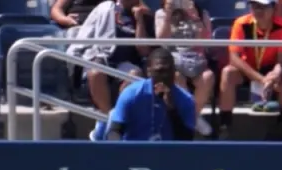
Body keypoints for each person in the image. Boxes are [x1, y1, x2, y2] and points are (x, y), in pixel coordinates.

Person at [68, 0, 155, 140]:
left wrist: (139, 20)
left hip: (127, 62)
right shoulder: (104, 8)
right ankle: (109, 122)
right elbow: (85, 35)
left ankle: (110, 126)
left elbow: (143, 51)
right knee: (96, 72)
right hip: (101, 56)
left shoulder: (145, 15)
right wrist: (77, 57)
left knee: (134, 77)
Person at [219, 0, 282, 138]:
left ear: (273, 8)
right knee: (227, 73)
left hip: (270, 69)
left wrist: (276, 73)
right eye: (254, 6)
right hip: (247, 69)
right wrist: (261, 79)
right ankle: (225, 124)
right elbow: (234, 58)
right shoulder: (241, 23)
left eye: (263, 7)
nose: (258, 10)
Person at [106, 48, 198, 141]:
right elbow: (115, 131)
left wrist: (171, 109)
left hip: (168, 153)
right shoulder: (132, 94)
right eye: (159, 71)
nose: (165, 76)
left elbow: (187, 139)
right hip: (134, 152)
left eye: (169, 71)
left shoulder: (186, 100)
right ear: (149, 72)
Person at [155, 0, 214, 133]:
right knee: (176, 77)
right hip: (174, 58)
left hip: (196, 59)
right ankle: (190, 120)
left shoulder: (201, 13)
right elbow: (161, 40)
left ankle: (192, 117)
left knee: (208, 77)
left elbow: (206, 42)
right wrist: (168, 16)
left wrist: (196, 18)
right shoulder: (161, 13)